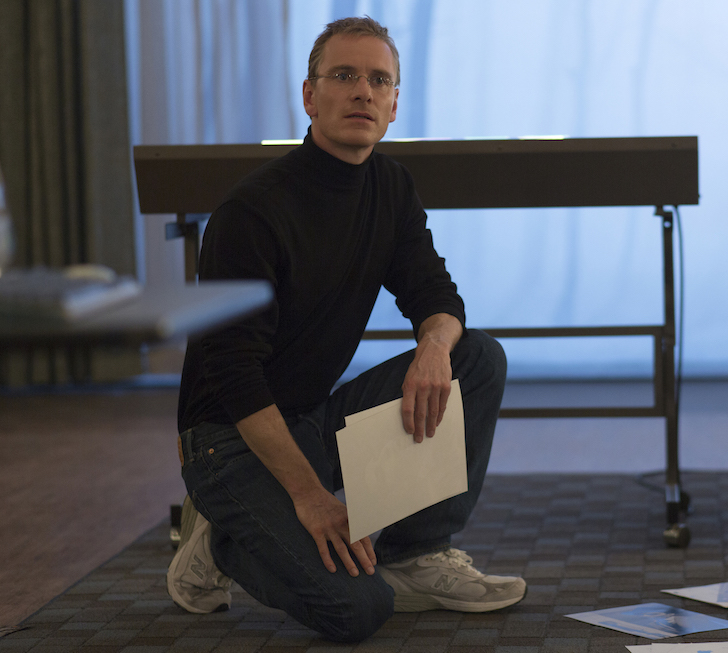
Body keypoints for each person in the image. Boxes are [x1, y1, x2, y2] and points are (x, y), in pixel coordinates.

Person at [166, 16, 525, 643]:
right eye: (344, 75)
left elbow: (436, 296)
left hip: (309, 422)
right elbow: (234, 378)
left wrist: (433, 347)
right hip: (227, 441)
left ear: (393, 106)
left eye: (379, 80)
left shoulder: (390, 186)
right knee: (357, 610)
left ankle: (415, 555)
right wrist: (311, 497)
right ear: (310, 96)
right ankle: (224, 539)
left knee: (475, 357)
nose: (363, 90)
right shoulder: (252, 211)